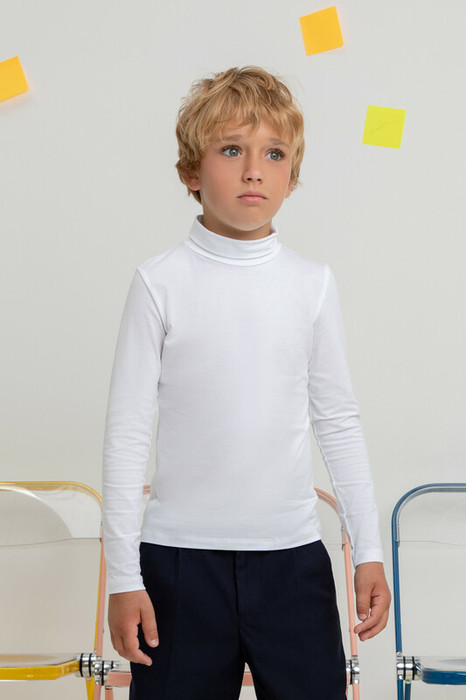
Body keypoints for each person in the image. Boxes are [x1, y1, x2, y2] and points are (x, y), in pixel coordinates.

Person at [103, 66, 391, 700]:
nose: (254, 170)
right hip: (178, 565)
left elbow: (338, 421)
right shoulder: (158, 283)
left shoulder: (312, 284)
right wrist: (124, 576)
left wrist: (368, 549)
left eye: (274, 154)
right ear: (191, 171)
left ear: (292, 173)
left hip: (292, 564)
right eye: (231, 150)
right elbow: (127, 433)